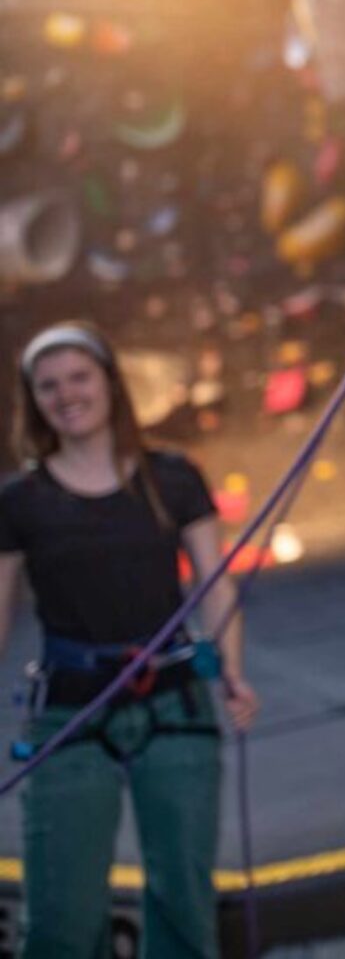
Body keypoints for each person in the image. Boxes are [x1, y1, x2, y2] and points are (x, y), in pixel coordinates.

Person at [0, 321, 259, 959]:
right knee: (60, 913)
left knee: (182, 900)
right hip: (71, 711)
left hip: (173, 705)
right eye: (49, 385)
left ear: (110, 383)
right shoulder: (20, 500)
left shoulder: (172, 477)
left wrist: (231, 671)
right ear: (34, 400)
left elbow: (215, 590)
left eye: (79, 377)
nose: (67, 395)